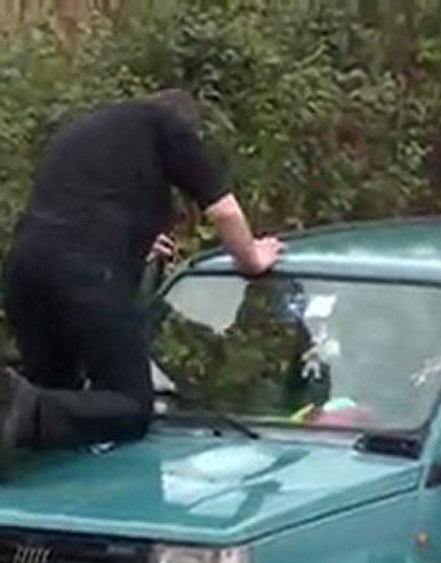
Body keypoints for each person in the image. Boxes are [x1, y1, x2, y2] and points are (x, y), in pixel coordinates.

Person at [0, 88, 283, 470]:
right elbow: (226, 213)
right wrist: (252, 258)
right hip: (86, 272)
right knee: (130, 406)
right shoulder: (167, 127)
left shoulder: (84, 132)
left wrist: (129, 247)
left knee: (51, 397)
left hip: (24, 266)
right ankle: (18, 401)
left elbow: (76, 213)